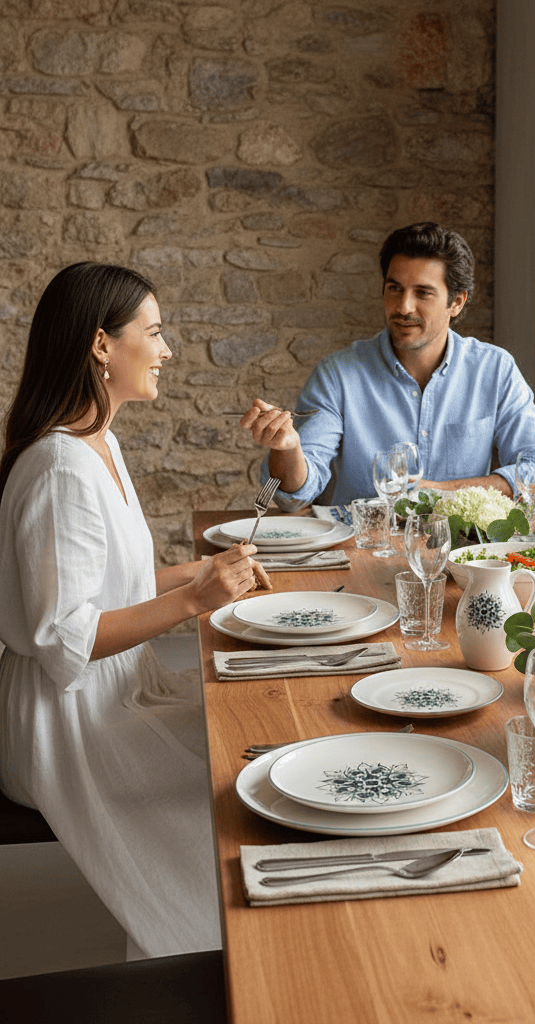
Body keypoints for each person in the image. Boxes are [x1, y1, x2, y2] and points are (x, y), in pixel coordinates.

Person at [0, 263, 269, 957]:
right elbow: (67, 637)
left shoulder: (100, 444)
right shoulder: (60, 467)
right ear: (100, 346)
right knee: (235, 779)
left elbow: (111, 582)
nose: (167, 348)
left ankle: (233, 936)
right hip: (64, 722)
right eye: (153, 332)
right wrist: (194, 599)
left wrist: (202, 569)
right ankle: (215, 954)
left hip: (115, 689)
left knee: (248, 735)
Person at [241, 221, 535, 508]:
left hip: (462, 559)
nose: (403, 306)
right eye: (395, 288)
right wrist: (288, 449)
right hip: (360, 557)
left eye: (423, 293)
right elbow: (293, 497)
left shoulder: (494, 370)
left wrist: (434, 493)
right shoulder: (337, 375)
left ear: (457, 302)